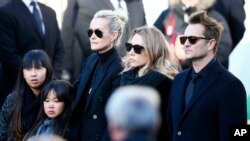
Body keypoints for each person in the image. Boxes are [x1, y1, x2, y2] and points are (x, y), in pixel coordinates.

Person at [168, 11, 247, 141]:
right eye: (183, 39)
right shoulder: (178, 80)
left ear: (211, 43)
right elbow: (172, 128)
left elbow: (237, 136)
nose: (186, 44)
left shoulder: (231, 85)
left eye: (192, 39)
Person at [66, 10, 128, 141]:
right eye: (90, 32)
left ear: (113, 36)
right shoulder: (91, 59)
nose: (92, 36)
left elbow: (115, 116)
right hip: (78, 133)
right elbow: (77, 88)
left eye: (98, 33)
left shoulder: (119, 67)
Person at [120, 26, 181, 141]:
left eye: (137, 48)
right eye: (129, 47)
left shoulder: (165, 84)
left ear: (153, 50)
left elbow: (165, 128)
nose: (131, 52)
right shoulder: (125, 77)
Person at [61, 0, 146, 82]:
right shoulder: (84, 3)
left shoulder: (137, 3)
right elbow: (71, 37)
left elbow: (144, 37)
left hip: (135, 79)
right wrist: (66, 73)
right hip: (98, 77)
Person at [0, 0, 64, 108]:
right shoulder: (5, 12)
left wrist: (52, 77)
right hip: (17, 92)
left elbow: (59, 49)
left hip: (48, 94)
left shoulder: (50, 12)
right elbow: (8, 55)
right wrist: (34, 75)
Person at [154, 0, 232, 69]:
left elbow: (221, 51)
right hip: (169, 74)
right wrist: (168, 50)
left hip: (201, 79)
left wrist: (188, 59)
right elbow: (151, 40)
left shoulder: (214, 19)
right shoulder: (167, 14)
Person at [0, 50, 53, 141]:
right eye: (28, 69)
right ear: (23, 73)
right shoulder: (13, 99)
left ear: (47, 71)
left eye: (38, 68)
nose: (33, 74)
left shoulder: (55, 99)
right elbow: (2, 133)